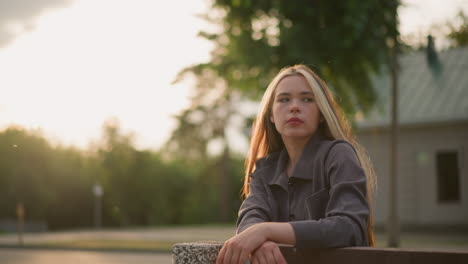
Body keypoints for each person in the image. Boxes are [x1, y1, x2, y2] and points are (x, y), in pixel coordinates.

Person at [216, 64, 376, 264]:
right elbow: (251, 216)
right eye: (284, 99)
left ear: (320, 114)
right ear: (271, 115)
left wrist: (266, 231)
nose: (294, 107)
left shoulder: (339, 154)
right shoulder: (265, 170)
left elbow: (348, 227)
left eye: (307, 99)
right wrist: (260, 241)